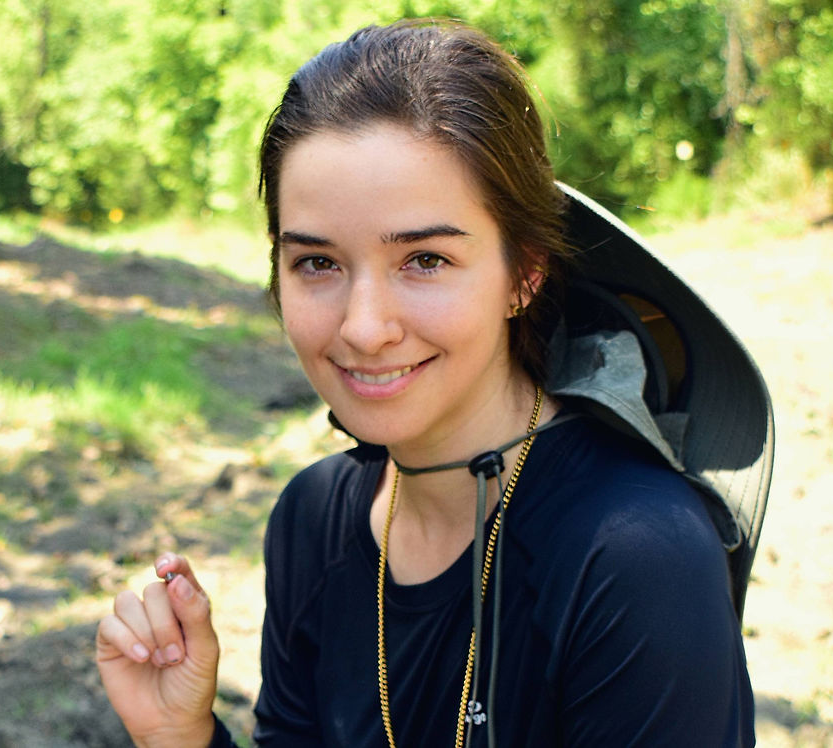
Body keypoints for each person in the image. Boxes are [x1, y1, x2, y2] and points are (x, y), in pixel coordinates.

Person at [96, 19, 773, 747]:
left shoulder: (635, 555)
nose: (363, 327)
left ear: (524, 273)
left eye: (424, 260)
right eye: (317, 263)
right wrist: (180, 736)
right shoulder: (314, 521)